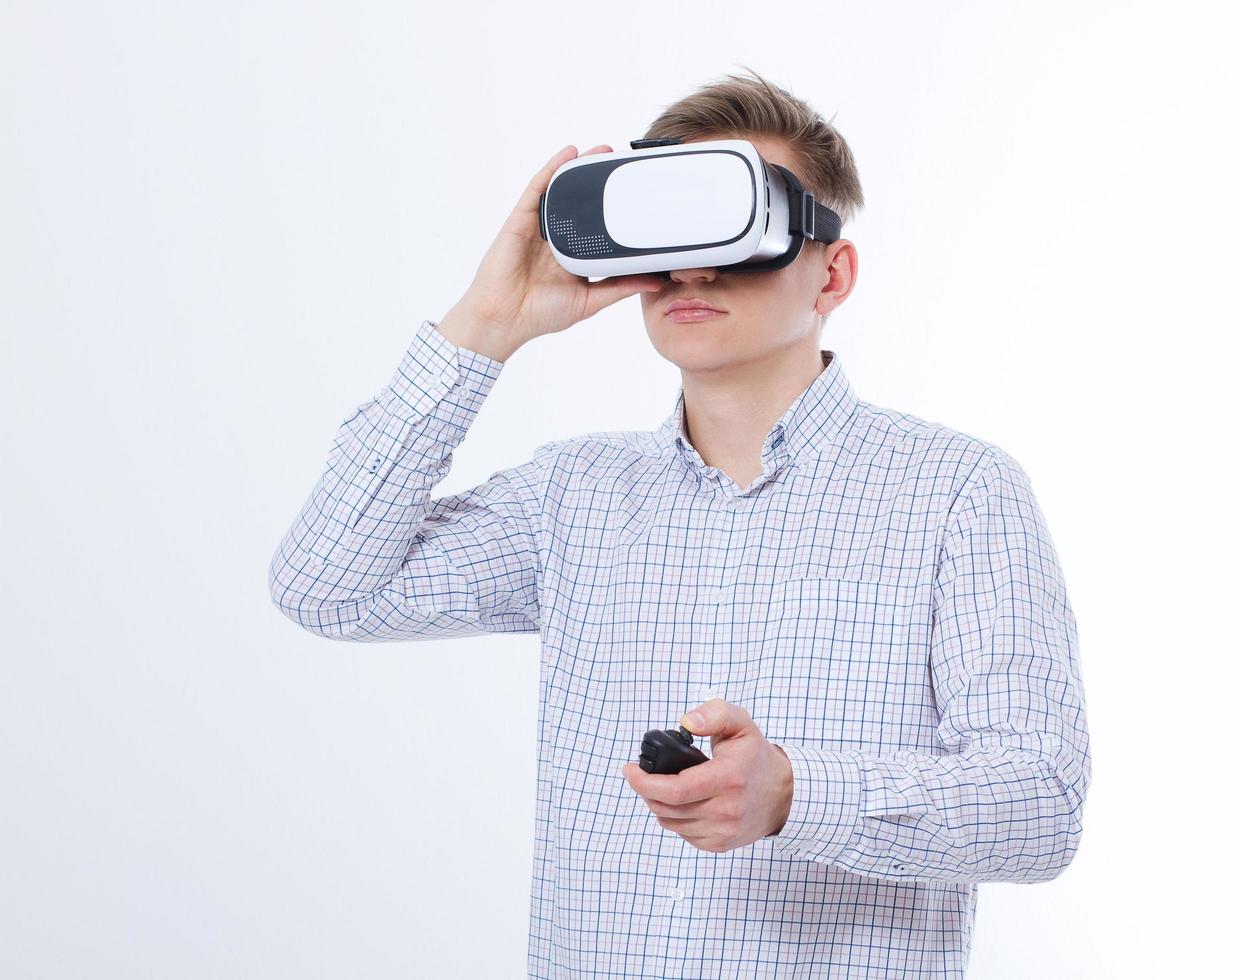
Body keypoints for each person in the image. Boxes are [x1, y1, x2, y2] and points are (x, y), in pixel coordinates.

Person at [269, 68, 1090, 979]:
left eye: (740, 232)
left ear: (833, 270)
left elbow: (1040, 804)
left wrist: (796, 794)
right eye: (674, 234)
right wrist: (486, 324)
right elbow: (328, 589)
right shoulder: (572, 495)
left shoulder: (959, 493)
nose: (695, 270)